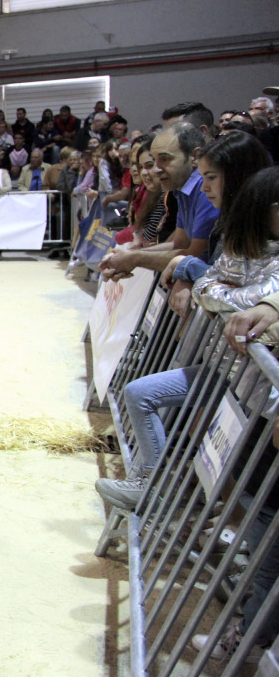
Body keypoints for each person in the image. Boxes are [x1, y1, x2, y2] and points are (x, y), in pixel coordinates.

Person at [95, 133, 272, 511]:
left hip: (250, 380)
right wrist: (192, 273)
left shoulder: (250, 234)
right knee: (150, 400)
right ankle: (154, 486)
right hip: (224, 365)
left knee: (248, 480)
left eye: (210, 176)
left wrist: (188, 269)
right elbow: (209, 279)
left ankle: (231, 540)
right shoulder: (227, 219)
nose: (202, 183)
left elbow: (213, 281)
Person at [98, 123, 220, 280]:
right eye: (154, 161)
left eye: (165, 159)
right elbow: (180, 243)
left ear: (194, 157)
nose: (156, 169)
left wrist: (134, 258)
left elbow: (193, 256)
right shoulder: (180, 189)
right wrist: (129, 255)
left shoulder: (205, 190)